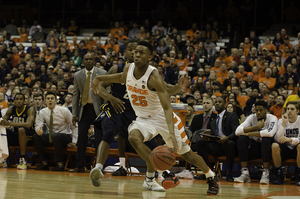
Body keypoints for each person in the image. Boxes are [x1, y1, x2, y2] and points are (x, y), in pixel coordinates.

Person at [91, 41, 219, 195]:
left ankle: (211, 177)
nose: (137, 54)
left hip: (163, 118)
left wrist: (171, 132)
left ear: (150, 57)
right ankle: (164, 173)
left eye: (141, 53)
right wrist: (99, 78)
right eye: (136, 52)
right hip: (144, 118)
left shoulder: (153, 77)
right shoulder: (128, 68)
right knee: (133, 137)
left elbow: (166, 107)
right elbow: (121, 77)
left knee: (188, 155)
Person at [69, 53, 107, 173]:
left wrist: (105, 110)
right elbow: (75, 95)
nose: (89, 61)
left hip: (99, 109)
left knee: (99, 138)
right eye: (86, 59)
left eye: (91, 59)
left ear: (94, 61)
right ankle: (79, 165)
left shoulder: (102, 73)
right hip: (84, 108)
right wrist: (74, 113)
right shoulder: (78, 75)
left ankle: (98, 167)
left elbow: (106, 91)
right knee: (81, 137)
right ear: (83, 62)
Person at [235, 101, 278, 184]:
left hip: (269, 150)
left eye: (261, 110)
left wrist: (250, 133)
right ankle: (245, 173)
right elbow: (237, 131)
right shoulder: (252, 117)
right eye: (256, 110)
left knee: (266, 138)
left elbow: (270, 133)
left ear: (266, 110)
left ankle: (266, 173)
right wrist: (256, 127)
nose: (258, 112)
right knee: (242, 138)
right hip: (255, 148)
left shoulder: (272, 118)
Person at [196, 97, 239, 182]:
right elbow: (213, 135)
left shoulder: (231, 115)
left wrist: (226, 138)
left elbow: (236, 131)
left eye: (220, 102)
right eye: (216, 102)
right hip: (217, 145)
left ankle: (229, 173)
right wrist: (207, 139)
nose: (217, 104)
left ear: (225, 104)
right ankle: (208, 172)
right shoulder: (213, 121)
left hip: (227, 145)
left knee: (230, 143)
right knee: (199, 142)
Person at [34, 91, 78, 171]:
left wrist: (74, 141)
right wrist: (38, 129)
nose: (50, 100)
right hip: (51, 137)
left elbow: (74, 126)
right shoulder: (43, 112)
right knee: (36, 136)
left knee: (56, 136)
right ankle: (44, 163)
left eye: (52, 98)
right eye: (48, 99)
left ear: (55, 101)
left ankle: (60, 164)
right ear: (45, 101)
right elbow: (38, 124)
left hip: (65, 137)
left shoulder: (64, 110)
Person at [0, 93, 35, 169]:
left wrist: (9, 123)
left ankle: (23, 159)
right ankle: (3, 158)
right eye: (17, 99)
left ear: (24, 101)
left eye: (21, 99)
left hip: (29, 137)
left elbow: (29, 125)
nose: (18, 101)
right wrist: (3, 122)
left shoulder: (29, 109)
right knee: (3, 131)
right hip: (16, 136)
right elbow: (3, 121)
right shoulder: (11, 109)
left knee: (21, 129)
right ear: (14, 101)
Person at [272, 101, 300, 185]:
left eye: (292, 109)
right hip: (285, 149)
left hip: (296, 148)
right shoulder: (281, 120)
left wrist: (290, 139)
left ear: (297, 111)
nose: (289, 111)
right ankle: (279, 173)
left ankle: (299, 174)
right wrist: (283, 124)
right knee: (274, 145)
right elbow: (277, 139)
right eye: (288, 109)